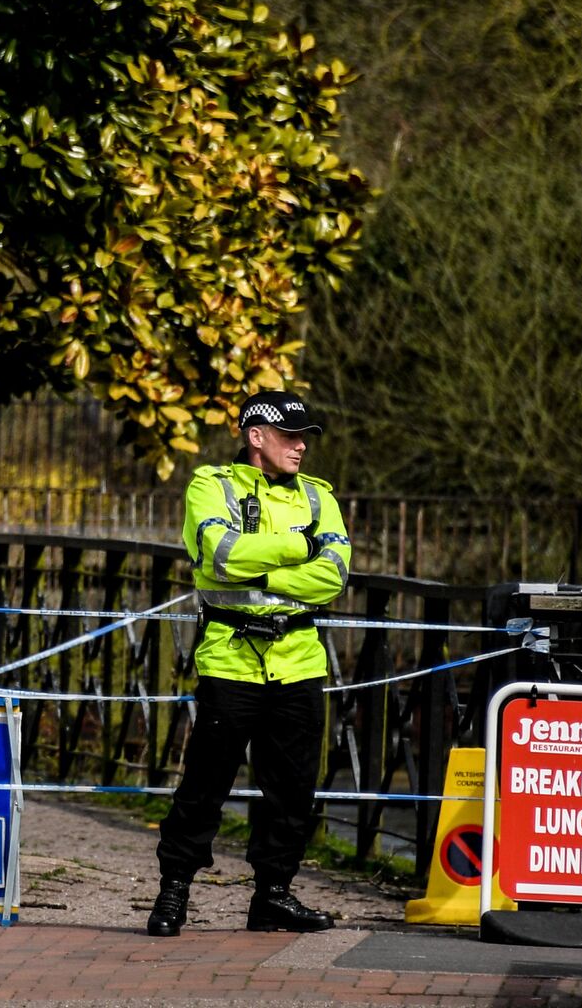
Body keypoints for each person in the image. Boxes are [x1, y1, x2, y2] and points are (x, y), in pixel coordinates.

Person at [147, 391, 353, 937]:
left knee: (292, 792)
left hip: (300, 661)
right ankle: (173, 892)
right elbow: (217, 556)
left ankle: (273, 896)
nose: (302, 446)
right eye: (290, 436)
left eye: (305, 436)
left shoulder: (319, 497)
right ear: (256, 436)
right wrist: (293, 549)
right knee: (204, 784)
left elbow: (333, 575)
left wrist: (258, 570)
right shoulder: (210, 485)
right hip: (230, 659)